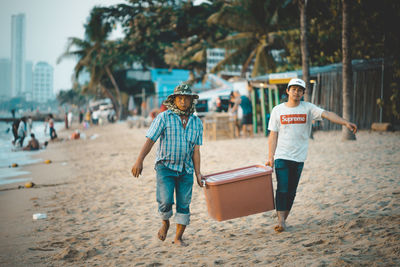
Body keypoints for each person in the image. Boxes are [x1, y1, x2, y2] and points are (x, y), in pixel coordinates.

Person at [266, 78, 357, 233]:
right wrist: (270, 157)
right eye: (293, 89)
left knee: (292, 191)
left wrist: (345, 123)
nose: (296, 92)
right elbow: (273, 136)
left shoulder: (308, 108)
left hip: (299, 157)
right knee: (282, 188)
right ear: (288, 91)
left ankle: (284, 220)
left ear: (303, 93)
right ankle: (281, 221)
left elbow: (327, 114)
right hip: (282, 156)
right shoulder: (277, 110)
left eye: (300, 90)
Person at [131, 83, 204, 246]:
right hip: (166, 167)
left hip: (186, 170)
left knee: (184, 204)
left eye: (186, 98)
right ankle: (165, 222)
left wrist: (198, 173)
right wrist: (139, 160)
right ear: (174, 100)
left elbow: (196, 151)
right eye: (180, 98)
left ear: (191, 101)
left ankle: (178, 238)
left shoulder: (197, 123)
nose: (183, 101)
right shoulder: (164, 118)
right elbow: (150, 140)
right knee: (165, 201)